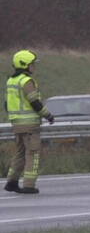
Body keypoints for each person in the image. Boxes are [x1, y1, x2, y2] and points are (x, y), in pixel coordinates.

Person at [4, 50, 54, 194]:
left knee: (20, 153)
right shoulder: (26, 81)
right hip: (30, 125)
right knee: (32, 154)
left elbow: (6, 105)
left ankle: (11, 182)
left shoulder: (11, 81)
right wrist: (48, 116)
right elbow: (35, 102)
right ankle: (29, 185)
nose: (34, 67)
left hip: (17, 124)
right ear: (25, 65)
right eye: (32, 64)